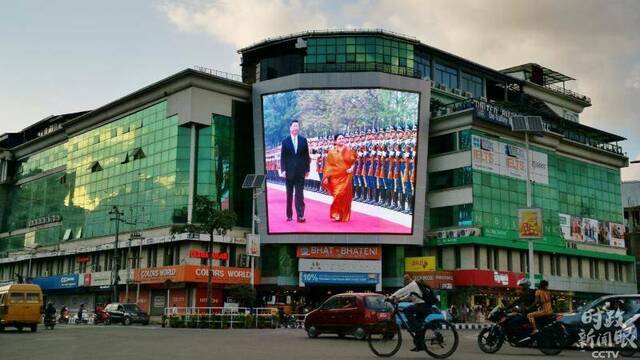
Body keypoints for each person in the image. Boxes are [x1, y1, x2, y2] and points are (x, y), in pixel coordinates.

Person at [388, 274, 439, 352]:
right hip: (425, 307)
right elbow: (408, 296)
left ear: (408, 279)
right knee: (417, 325)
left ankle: (419, 329)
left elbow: (402, 291)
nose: (404, 282)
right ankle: (420, 345)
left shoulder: (412, 285)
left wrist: (390, 297)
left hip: (422, 306)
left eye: (405, 280)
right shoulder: (415, 286)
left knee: (407, 310)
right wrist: (398, 300)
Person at [322, 134, 357, 222]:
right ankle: (336, 213)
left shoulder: (349, 150)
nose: (341, 140)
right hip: (335, 177)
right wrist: (326, 177)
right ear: (335, 141)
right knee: (337, 194)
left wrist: (351, 168)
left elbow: (354, 161)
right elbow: (328, 165)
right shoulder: (331, 152)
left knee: (345, 196)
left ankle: (343, 215)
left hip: (346, 176)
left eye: (342, 138)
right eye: (339, 138)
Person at [280, 120, 310, 222]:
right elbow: (283, 157)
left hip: (300, 171)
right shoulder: (285, 141)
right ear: (290, 128)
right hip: (289, 172)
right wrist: (283, 169)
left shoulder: (303, 140)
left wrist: (307, 169)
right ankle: (289, 215)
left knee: (299, 194)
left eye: (297, 126)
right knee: (289, 194)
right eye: (294, 126)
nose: (296, 128)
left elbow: (306, 156)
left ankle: (300, 215)